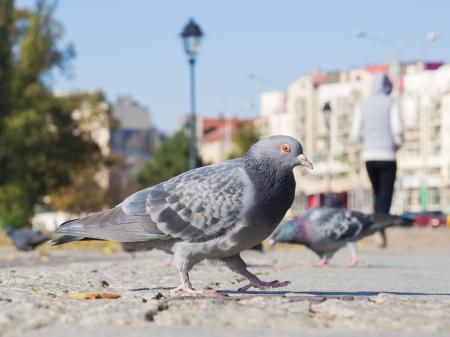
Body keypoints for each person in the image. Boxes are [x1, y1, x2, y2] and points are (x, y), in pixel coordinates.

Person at [351, 73, 403, 248]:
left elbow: (354, 133)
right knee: (385, 195)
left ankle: (377, 229)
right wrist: (396, 145)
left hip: (369, 156)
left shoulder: (363, 105)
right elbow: (398, 130)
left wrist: (365, 145)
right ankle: (380, 230)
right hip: (387, 155)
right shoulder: (391, 103)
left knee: (376, 192)